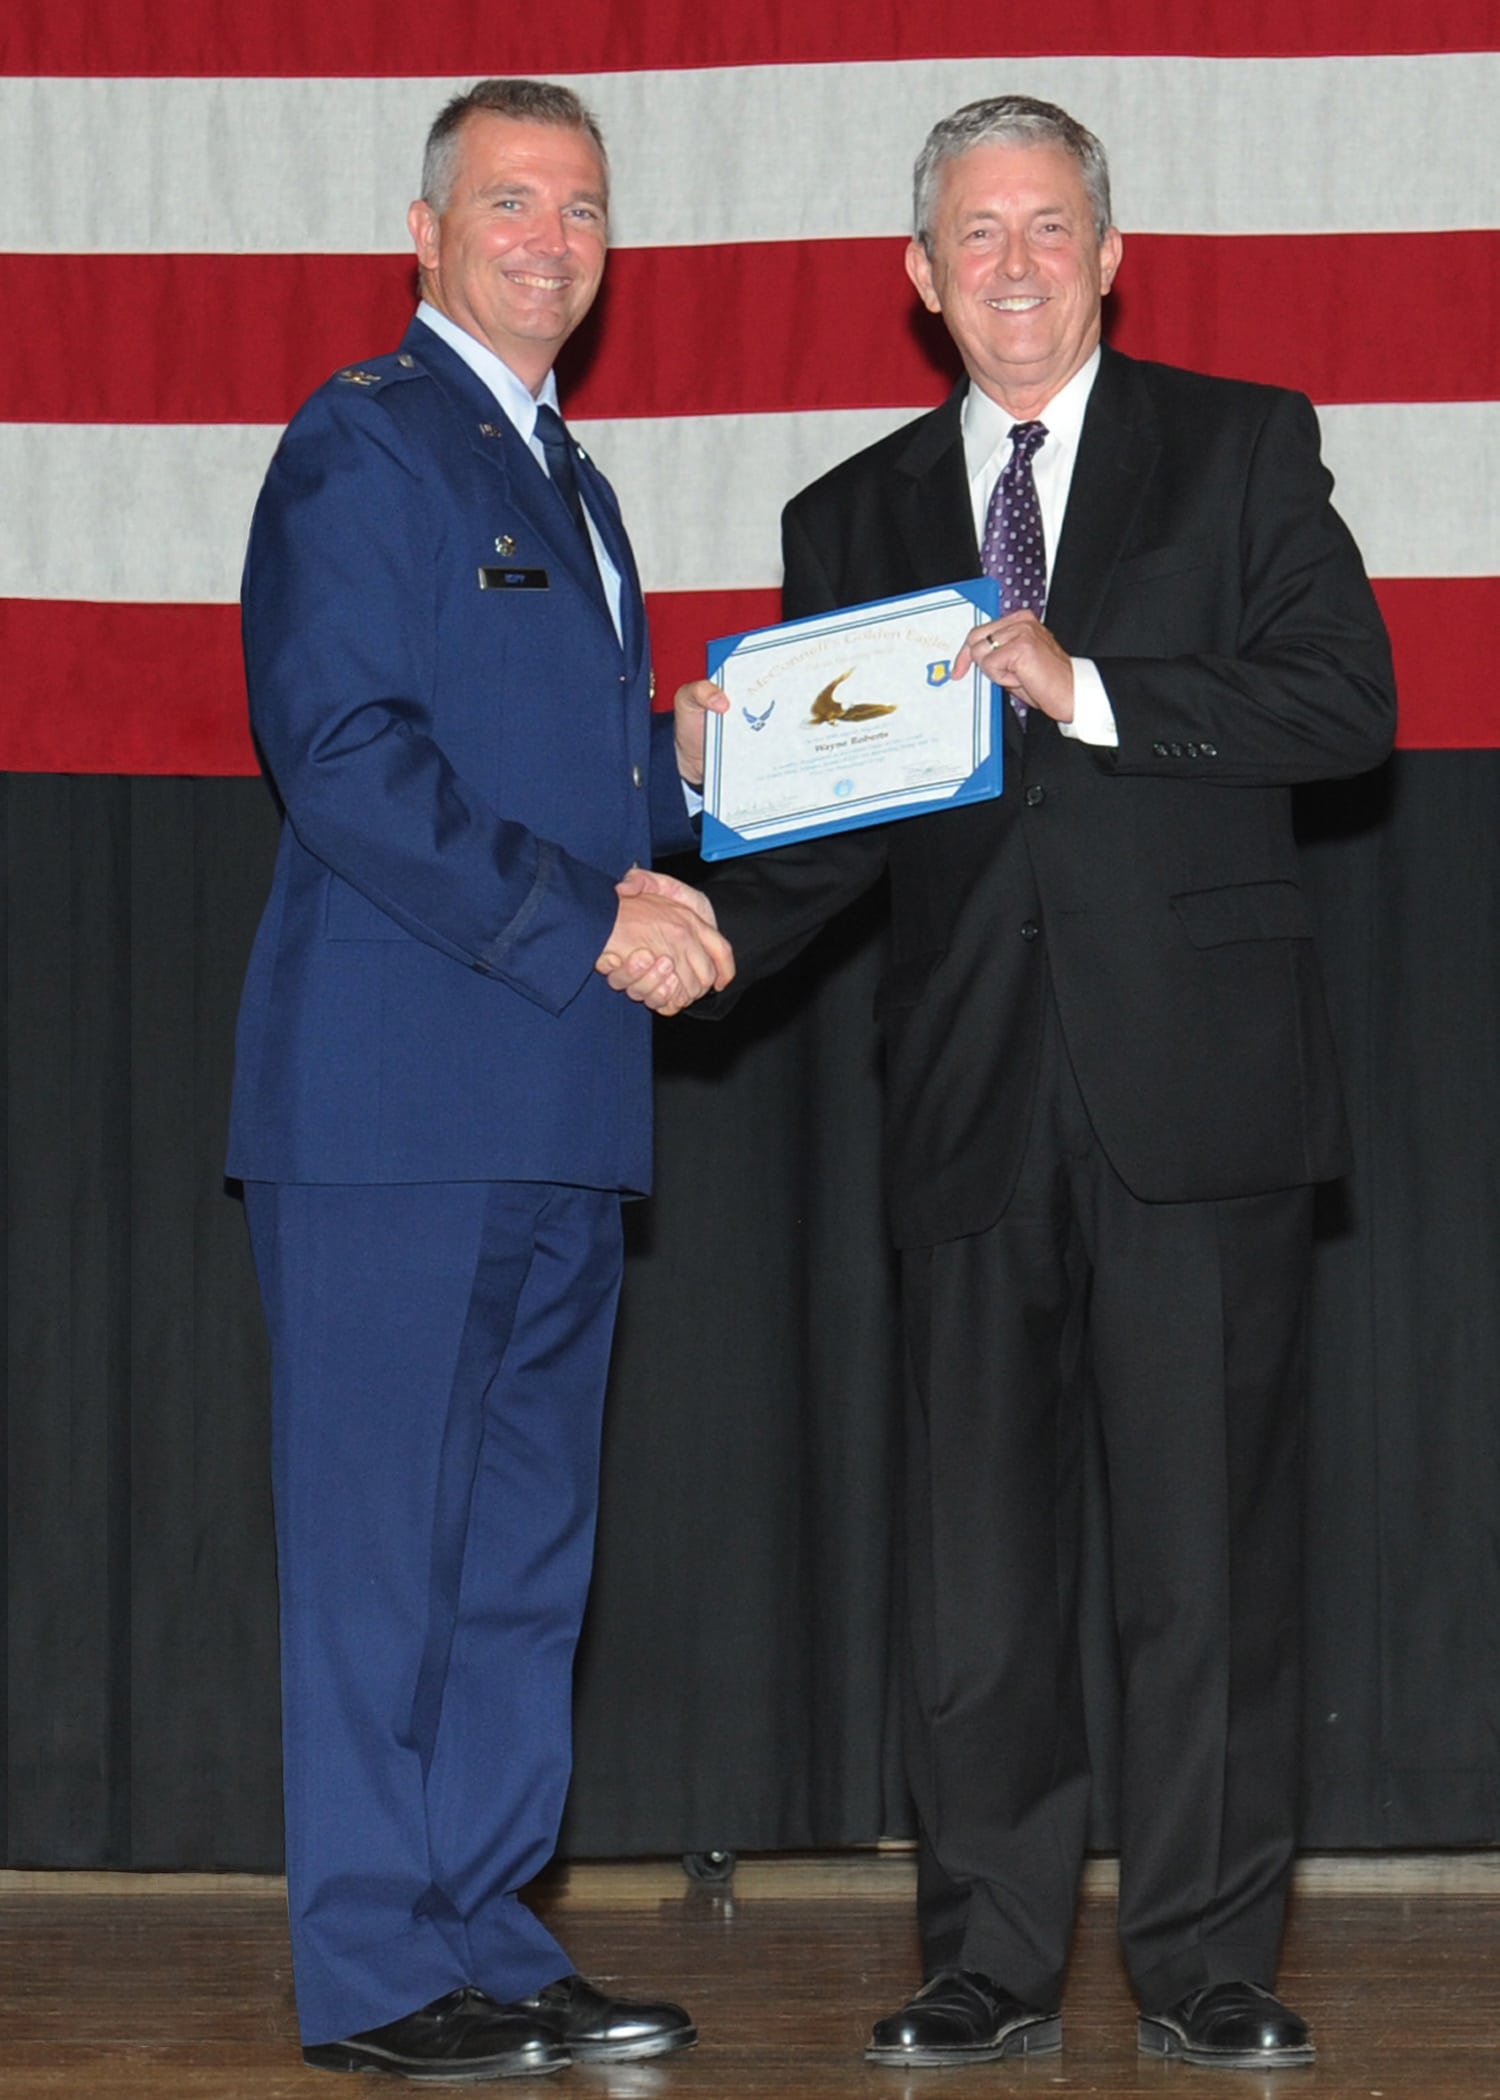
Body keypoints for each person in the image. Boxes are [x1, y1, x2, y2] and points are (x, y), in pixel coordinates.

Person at [635, 93, 1396, 2072]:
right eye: (975, 236)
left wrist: (1092, 687)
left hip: (1196, 1100)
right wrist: (703, 812)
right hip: (967, 1103)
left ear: (1110, 251)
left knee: (1204, 1568)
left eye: (1047, 226)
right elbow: (816, 861)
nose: (1015, 265)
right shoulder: (850, 520)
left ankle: (1209, 1963)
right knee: (975, 1584)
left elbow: (1346, 701)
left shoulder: (1237, 449)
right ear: (919, 279)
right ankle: (983, 1957)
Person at [228, 77, 732, 2080]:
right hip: (389, 1111)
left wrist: (732, 762)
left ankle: (495, 1935)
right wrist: (592, 917)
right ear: (423, 230)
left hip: (559, 1109)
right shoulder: (367, 441)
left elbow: (583, 784)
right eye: (509, 200)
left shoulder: (576, 490)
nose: (549, 233)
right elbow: (341, 753)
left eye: (581, 205)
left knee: (523, 1564)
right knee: (379, 1563)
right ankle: (373, 1971)